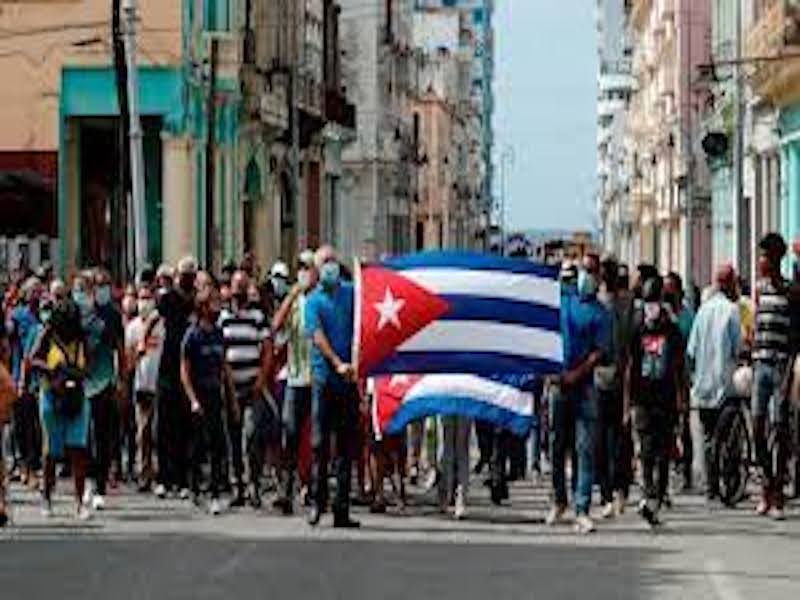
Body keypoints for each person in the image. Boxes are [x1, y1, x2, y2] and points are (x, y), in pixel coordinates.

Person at [548, 253, 611, 534]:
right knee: (556, 447)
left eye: (592, 271)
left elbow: (599, 352)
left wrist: (578, 373)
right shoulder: (562, 302)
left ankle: (582, 508)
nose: (587, 275)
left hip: (584, 388)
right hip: (558, 386)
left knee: (584, 450)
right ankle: (559, 500)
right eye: (584, 270)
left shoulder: (601, 313)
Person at [305, 245, 360, 528]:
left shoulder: (352, 292)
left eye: (333, 260)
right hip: (324, 379)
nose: (330, 266)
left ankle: (341, 509)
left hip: (348, 382)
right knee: (319, 445)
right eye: (324, 262)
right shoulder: (313, 301)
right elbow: (317, 336)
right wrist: (338, 362)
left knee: (346, 448)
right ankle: (317, 502)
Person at [626, 276, 685, 527]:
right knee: (647, 450)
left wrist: (683, 397)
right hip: (642, 399)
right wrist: (627, 403)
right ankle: (648, 494)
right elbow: (630, 364)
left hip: (666, 398)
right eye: (647, 300)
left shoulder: (672, 329)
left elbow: (680, 367)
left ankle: (658, 497)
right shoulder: (637, 326)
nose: (651, 305)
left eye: (655, 300)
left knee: (663, 453)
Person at [30, 298, 91, 520]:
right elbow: (33, 359)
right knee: (51, 452)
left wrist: (76, 373)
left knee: (78, 449)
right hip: (51, 397)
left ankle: (79, 501)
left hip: (76, 398)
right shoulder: (48, 333)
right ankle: (46, 496)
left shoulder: (81, 336)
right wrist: (54, 370)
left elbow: (89, 364)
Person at [686, 264, 741, 503]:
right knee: (729, 436)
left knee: (708, 437)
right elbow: (737, 348)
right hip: (724, 384)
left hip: (703, 385)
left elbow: (692, 349)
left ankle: (711, 485)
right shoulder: (731, 311)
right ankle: (727, 479)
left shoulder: (703, 311)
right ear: (729, 283)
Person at [218, 270, 272, 508]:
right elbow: (221, 353)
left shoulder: (257, 316)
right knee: (232, 438)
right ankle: (237, 485)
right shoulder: (222, 318)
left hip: (252, 386)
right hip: (230, 389)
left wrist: (262, 377)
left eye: (243, 287)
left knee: (251, 435)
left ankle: (254, 483)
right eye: (235, 287)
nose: (238, 292)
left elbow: (268, 348)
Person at [181, 285, 237, 516]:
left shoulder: (217, 333)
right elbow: (184, 371)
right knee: (196, 445)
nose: (217, 308)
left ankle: (214, 492)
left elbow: (224, 367)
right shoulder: (192, 335)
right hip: (198, 394)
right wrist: (193, 399)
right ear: (203, 307)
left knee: (218, 446)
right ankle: (194, 486)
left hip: (215, 394)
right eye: (213, 303)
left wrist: (231, 398)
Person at [74, 269, 125, 511]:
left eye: (107, 284)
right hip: (84, 381)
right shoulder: (81, 313)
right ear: (91, 288)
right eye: (100, 284)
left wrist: (122, 380)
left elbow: (120, 348)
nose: (104, 288)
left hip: (106, 381)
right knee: (85, 435)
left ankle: (100, 485)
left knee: (103, 435)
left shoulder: (113, 315)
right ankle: (87, 482)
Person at [751, 234, 793, 519]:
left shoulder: (791, 291)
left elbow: (795, 337)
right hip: (759, 365)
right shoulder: (759, 289)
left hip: (780, 366)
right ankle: (766, 480)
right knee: (757, 427)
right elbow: (755, 324)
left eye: (765, 256)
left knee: (779, 429)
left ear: (776, 259)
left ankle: (777, 493)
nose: (760, 261)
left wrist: (790, 373)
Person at [272, 250, 317, 515]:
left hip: (319, 378)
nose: (303, 271)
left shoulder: (321, 299)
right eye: (299, 266)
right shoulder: (296, 302)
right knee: (289, 432)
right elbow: (276, 326)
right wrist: (292, 295)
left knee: (317, 439)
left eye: (307, 267)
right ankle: (286, 491)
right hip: (296, 378)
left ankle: (311, 487)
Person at [153, 256, 197, 499]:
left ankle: (183, 479)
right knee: (164, 425)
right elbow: (154, 316)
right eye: (185, 274)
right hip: (169, 366)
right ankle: (163, 477)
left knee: (185, 426)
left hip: (189, 365)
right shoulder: (169, 299)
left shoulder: (196, 302)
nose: (188, 279)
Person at [596, 255, 633, 518]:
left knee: (620, 441)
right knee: (601, 441)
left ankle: (619, 490)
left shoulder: (627, 305)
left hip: (622, 381)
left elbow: (631, 348)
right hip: (598, 380)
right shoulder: (596, 304)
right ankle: (608, 492)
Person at [125, 286, 164, 492]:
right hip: (141, 384)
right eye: (141, 298)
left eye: (148, 298)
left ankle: (159, 473)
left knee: (158, 430)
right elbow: (128, 359)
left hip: (159, 383)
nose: (144, 302)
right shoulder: (132, 328)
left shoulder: (161, 326)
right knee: (143, 432)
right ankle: (144, 472)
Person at [7, 276, 43, 488]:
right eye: (34, 291)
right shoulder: (18, 316)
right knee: (21, 423)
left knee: (36, 426)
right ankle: (23, 465)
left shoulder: (45, 316)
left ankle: (33, 465)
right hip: (19, 376)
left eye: (40, 291)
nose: (37, 295)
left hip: (40, 378)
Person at [664, 272, 695, 492]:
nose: (667, 293)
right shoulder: (661, 317)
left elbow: (692, 348)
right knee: (667, 427)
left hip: (683, 376)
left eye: (671, 289)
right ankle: (669, 467)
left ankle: (687, 471)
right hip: (664, 378)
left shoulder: (687, 317)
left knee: (685, 426)